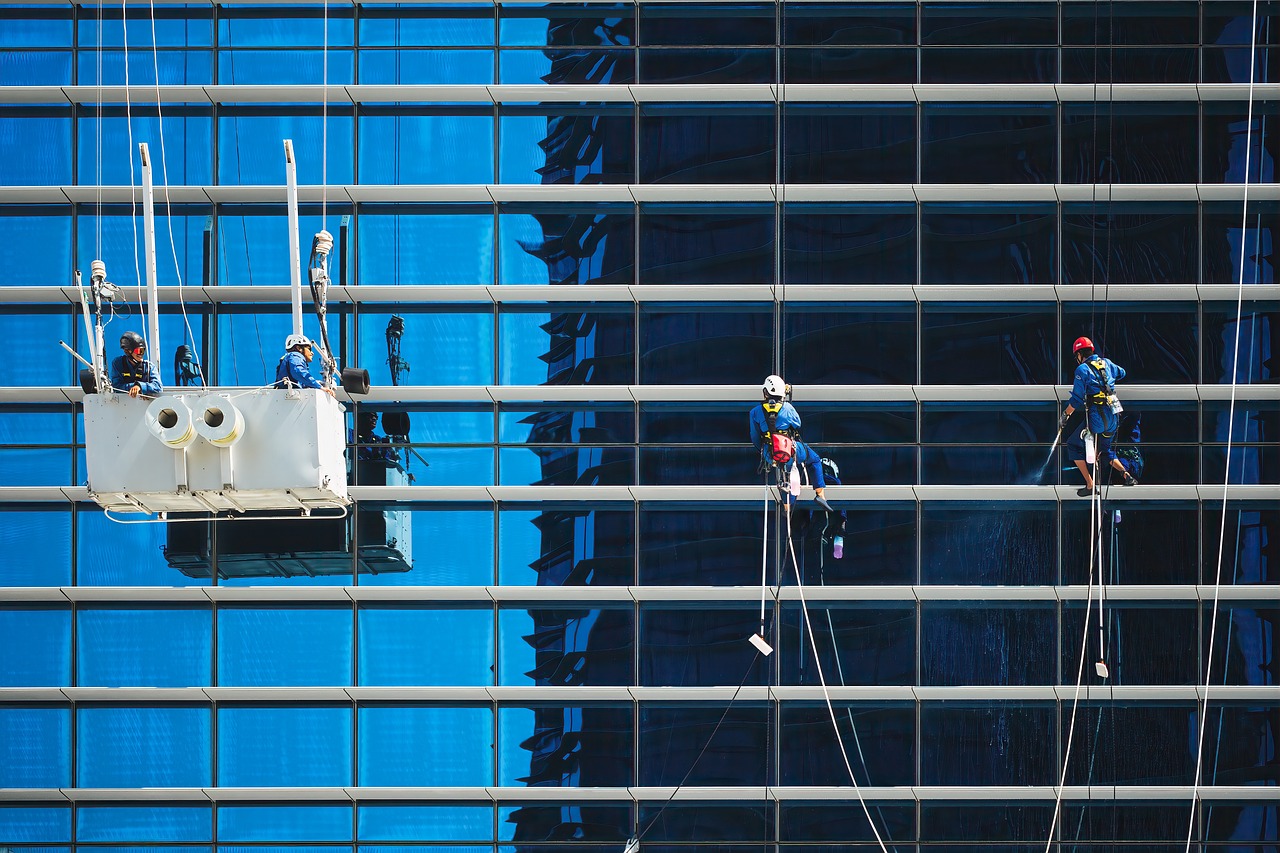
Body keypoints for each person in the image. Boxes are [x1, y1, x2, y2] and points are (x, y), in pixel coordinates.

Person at [1058, 336, 1135, 495]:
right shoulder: (1107, 363)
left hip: (1097, 418)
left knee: (1073, 444)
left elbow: (1077, 399)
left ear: (1079, 354)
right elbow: (1122, 373)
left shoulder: (1082, 370)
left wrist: (1065, 415)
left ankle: (1090, 485)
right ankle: (1126, 475)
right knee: (1104, 450)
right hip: (1113, 417)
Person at [749, 374, 832, 510]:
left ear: (765, 392)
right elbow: (797, 424)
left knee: (784, 472)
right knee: (814, 460)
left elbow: (754, 436)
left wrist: (764, 452)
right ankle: (820, 494)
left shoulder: (755, 412)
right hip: (789, 449)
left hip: (770, 452)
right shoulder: (787, 408)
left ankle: (787, 507)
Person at [109, 330, 162, 398]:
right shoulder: (118, 364)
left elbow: (158, 387)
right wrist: (134, 387)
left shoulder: (149, 367)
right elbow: (116, 387)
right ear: (127, 351)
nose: (141, 354)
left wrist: (140, 386)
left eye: (143, 350)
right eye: (138, 351)